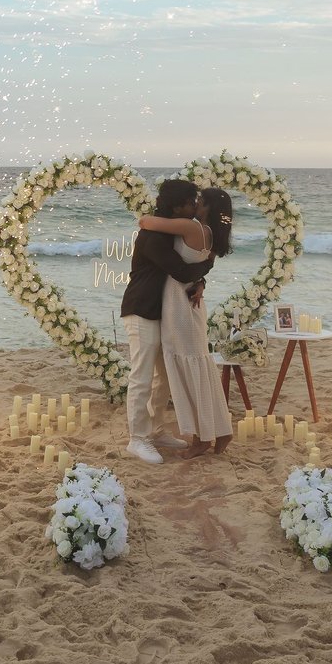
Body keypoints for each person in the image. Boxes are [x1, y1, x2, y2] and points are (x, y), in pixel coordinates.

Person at [118, 179, 215, 464]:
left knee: (163, 377)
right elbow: (181, 271)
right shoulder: (154, 236)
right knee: (142, 376)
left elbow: (183, 270)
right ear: (177, 205)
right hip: (142, 309)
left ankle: (156, 431)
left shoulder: (169, 231)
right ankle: (137, 439)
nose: (195, 206)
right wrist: (209, 262)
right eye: (190, 202)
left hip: (163, 312)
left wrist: (203, 280)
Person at [135, 187, 236, 457]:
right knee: (200, 368)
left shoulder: (191, 228)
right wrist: (200, 281)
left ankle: (202, 440)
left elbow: (145, 222)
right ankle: (222, 430)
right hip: (190, 305)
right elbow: (203, 266)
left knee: (189, 371)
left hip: (179, 306)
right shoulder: (212, 235)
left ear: (207, 208)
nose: (194, 204)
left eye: (198, 201)